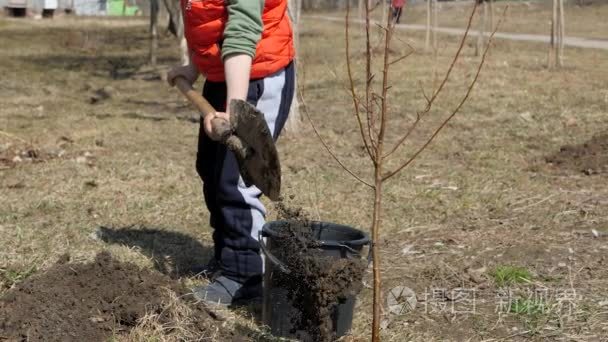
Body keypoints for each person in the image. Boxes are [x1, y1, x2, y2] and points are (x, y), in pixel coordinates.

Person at [167, 0, 295, 306]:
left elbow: (240, 33)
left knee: (235, 181)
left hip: (256, 75)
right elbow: (209, 26)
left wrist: (234, 109)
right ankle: (227, 258)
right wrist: (194, 67)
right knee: (210, 169)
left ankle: (245, 275)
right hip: (222, 76)